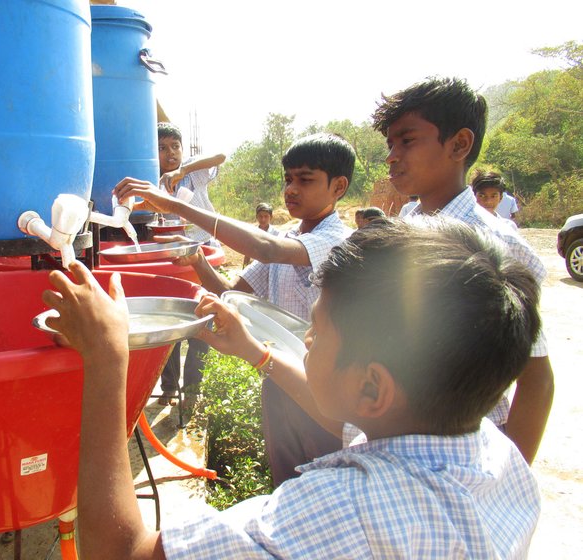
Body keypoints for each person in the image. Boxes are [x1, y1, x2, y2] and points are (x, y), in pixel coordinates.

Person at [43, 218, 542, 559]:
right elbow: (350, 422)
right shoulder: (496, 458)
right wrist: (255, 351)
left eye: (318, 331)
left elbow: (122, 553)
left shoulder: (340, 510)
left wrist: (109, 362)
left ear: (373, 387)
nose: (305, 337)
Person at [115, 133, 355, 483]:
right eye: (288, 178)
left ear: (339, 187)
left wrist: (176, 205)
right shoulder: (287, 239)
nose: (291, 189)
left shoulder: (336, 241)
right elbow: (230, 291)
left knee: (324, 477)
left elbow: (266, 250)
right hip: (280, 377)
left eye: (306, 180)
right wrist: (196, 258)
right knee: (286, 479)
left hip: (322, 390)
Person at [371, 76, 554, 463]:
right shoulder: (407, 221)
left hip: (460, 460)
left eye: (407, 140)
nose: (391, 156)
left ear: (459, 144)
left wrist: (503, 486)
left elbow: (536, 378)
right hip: (394, 449)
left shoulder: (497, 245)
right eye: (390, 144)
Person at [153, 122, 226, 406]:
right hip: (172, 264)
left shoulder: (193, 174)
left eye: (175, 146)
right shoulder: (153, 183)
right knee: (169, 324)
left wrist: (183, 170)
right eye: (161, 148)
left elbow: (220, 156)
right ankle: (169, 387)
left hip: (206, 257)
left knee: (202, 322)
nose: (170, 153)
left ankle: (192, 391)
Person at [242, 202, 279, 267]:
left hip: (271, 267)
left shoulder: (276, 234)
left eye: (266, 216)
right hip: (256, 267)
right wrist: (244, 268)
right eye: (260, 216)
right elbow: (247, 253)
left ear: (271, 217)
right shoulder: (252, 232)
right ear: (256, 217)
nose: (263, 219)